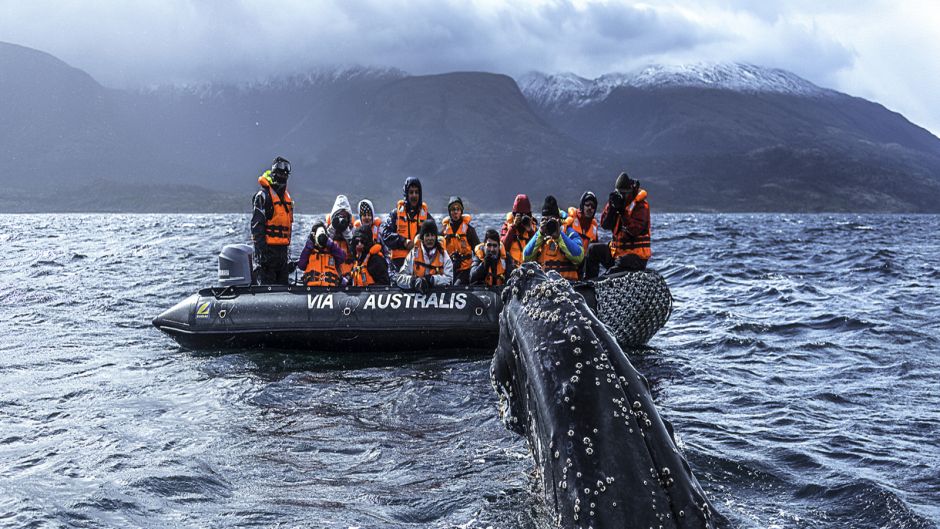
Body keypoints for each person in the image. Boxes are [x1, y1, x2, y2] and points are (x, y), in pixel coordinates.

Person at [584, 172, 651, 278]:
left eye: (624, 193)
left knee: (619, 264)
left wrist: (622, 212)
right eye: (620, 193)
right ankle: (589, 283)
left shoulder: (641, 205)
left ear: (630, 191)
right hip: (616, 253)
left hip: (636, 258)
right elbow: (605, 225)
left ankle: (607, 278)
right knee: (593, 250)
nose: (622, 196)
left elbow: (634, 230)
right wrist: (612, 208)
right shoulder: (616, 202)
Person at [250, 156, 294, 285]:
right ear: (274, 173)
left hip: (283, 253)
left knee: (284, 289)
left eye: (286, 173)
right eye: (281, 172)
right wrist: (261, 255)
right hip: (268, 254)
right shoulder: (263, 196)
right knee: (267, 289)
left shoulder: (287, 199)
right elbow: (257, 227)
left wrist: (287, 257)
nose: (284, 175)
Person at [523, 195, 583, 280]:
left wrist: (559, 236)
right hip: (544, 285)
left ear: (558, 219)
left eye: (552, 219)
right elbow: (526, 257)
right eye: (545, 219)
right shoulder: (539, 236)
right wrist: (540, 233)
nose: (548, 223)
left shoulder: (569, 233)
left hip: (567, 285)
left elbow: (579, 257)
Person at [382, 177, 433, 271]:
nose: (414, 195)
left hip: (421, 264)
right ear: (406, 194)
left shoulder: (427, 217)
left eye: (416, 192)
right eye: (411, 192)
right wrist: (403, 241)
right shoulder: (395, 214)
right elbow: (385, 234)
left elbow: (435, 238)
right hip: (398, 265)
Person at [396, 220, 454, 293]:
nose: (430, 238)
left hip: (438, 296)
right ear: (422, 238)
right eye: (427, 235)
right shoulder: (413, 253)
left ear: (436, 237)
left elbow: (449, 279)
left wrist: (432, 280)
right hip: (416, 295)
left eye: (432, 235)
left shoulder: (443, 254)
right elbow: (400, 279)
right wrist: (414, 281)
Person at [441, 196, 481, 285]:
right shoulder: (443, 232)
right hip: (448, 269)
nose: (455, 212)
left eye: (458, 209)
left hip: (465, 269)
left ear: (461, 211)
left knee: (456, 285)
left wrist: (475, 268)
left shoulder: (469, 230)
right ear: (449, 212)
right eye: (453, 209)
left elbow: (478, 252)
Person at [297, 221, 347, 287]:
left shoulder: (332, 250)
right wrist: (307, 248)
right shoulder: (309, 251)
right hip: (311, 288)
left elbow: (342, 258)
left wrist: (332, 245)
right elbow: (301, 265)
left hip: (331, 289)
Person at [564, 191, 599, 278]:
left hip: (583, 266)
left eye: (593, 206)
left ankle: (591, 282)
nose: (590, 208)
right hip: (568, 262)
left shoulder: (594, 227)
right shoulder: (570, 221)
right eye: (587, 204)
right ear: (582, 206)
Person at [500, 193, 537, 268]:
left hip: (529, 268)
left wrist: (530, 231)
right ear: (514, 215)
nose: (523, 218)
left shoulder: (533, 227)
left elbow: (538, 250)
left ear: (529, 215)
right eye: (520, 215)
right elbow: (504, 248)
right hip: (512, 268)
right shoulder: (507, 226)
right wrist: (513, 227)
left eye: (525, 215)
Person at [325, 195, 355, 279]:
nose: (341, 220)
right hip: (331, 272)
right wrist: (333, 228)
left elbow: (356, 253)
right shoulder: (327, 229)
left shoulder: (353, 230)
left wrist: (347, 232)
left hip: (349, 273)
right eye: (339, 216)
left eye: (344, 217)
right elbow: (323, 247)